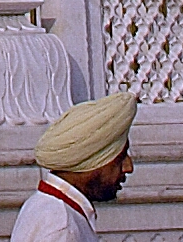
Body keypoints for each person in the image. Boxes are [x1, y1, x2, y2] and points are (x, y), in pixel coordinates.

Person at [9, 92, 138, 235]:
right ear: (92, 159)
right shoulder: (62, 227)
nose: (128, 168)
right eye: (120, 158)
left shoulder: (45, 207)